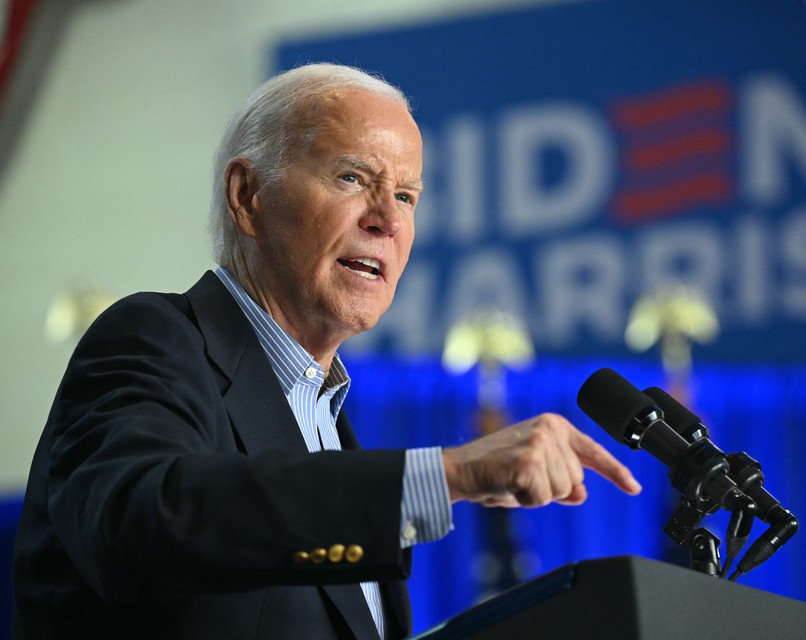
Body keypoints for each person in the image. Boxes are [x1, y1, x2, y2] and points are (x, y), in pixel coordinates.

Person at [12, 63, 641, 640]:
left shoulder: (329, 427)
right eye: (353, 177)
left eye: (405, 196)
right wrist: (450, 474)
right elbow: (139, 521)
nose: (387, 221)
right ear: (247, 196)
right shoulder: (154, 338)